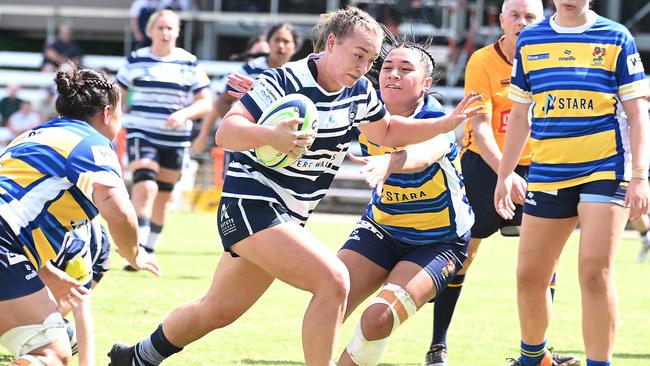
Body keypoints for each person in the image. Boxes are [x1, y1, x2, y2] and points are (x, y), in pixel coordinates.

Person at [108, 7, 482, 366]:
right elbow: (227, 132)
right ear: (331, 43)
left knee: (217, 310)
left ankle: (138, 356)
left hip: (289, 214)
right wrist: (269, 134)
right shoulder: (283, 81)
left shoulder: (358, 92)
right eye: (359, 55)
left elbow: (386, 130)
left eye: (370, 60)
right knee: (334, 281)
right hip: (251, 203)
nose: (364, 67)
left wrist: (444, 123)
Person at [495, 1, 649, 365]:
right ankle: (534, 359)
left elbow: (637, 111)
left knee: (594, 271)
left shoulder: (615, 36)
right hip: (548, 171)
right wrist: (505, 173)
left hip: (605, 168)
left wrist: (641, 175)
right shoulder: (531, 40)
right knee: (530, 276)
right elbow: (520, 113)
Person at [422, 2, 575, 365]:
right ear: (501, 19)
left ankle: (539, 352)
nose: (522, 23)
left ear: (544, 20)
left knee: (544, 263)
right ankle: (437, 346)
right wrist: (504, 174)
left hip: (538, 169)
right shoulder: (482, 61)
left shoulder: (554, 57)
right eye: (515, 15)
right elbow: (480, 126)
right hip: (484, 167)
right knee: (461, 256)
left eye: (530, 17)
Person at [0, 65, 159, 366]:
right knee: (50, 356)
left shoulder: (31, 136)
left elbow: (16, 207)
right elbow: (121, 213)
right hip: (3, 241)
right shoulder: (92, 144)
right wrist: (134, 253)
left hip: (8, 243)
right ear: (108, 112)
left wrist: (46, 272)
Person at [335, 40, 473, 366]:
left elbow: (427, 153)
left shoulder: (437, 119)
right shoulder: (366, 111)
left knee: (377, 319)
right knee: (328, 298)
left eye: (406, 69)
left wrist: (391, 162)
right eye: (387, 68)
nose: (393, 75)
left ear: (426, 84)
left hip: (439, 242)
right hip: (380, 230)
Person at [116, 9, 212, 265]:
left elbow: (205, 102)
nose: (165, 32)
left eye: (170, 28)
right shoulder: (136, 60)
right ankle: (134, 250)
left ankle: (149, 248)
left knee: (163, 196)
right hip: (141, 133)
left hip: (175, 139)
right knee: (145, 186)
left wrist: (184, 114)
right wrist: (120, 115)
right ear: (151, 31)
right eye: (160, 28)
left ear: (178, 31)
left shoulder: (189, 63)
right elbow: (118, 94)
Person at [192, 23, 298, 155]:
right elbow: (221, 101)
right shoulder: (249, 69)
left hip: (276, 148)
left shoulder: (298, 74)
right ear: (269, 42)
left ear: (295, 47)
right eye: (277, 40)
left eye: (286, 41)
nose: (281, 45)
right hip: (243, 149)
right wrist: (241, 127)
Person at [41, 218, 111, 366]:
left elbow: (81, 306)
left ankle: (64, 336)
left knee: (40, 316)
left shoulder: (74, 247)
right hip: (31, 246)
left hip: (92, 251)